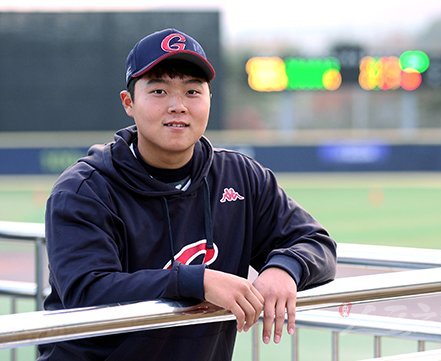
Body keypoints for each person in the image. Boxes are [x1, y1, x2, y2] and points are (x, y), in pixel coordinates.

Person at [39, 27, 337, 361]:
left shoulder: (240, 176)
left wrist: (285, 268)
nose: (178, 105)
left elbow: (317, 244)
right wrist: (196, 282)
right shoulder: (85, 189)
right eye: (159, 91)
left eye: (193, 91)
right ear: (129, 103)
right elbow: (88, 292)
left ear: (210, 100)